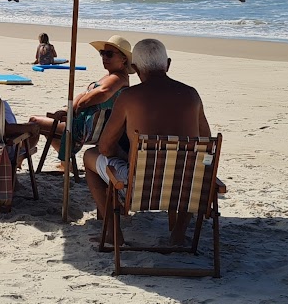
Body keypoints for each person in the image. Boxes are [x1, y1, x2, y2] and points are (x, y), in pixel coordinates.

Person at [82, 38, 211, 245]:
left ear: (134, 67)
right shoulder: (191, 95)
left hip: (140, 186)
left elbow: (105, 148)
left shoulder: (129, 97)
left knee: (89, 156)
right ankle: (178, 235)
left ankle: (113, 234)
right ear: (167, 64)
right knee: (192, 167)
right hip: (187, 185)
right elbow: (206, 142)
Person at [28, 34, 134, 170]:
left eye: (109, 54)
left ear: (124, 59)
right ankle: (65, 163)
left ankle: (18, 158)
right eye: (102, 53)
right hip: (90, 127)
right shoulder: (112, 76)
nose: (104, 58)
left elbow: (103, 92)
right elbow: (87, 94)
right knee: (52, 122)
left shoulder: (118, 78)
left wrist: (77, 107)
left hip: (85, 130)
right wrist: (68, 109)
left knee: (34, 122)